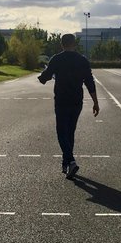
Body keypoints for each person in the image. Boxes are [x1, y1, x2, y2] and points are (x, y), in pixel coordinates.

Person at [38, 33, 100, 179]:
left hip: (61, 101)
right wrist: (95, 102)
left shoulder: (57, 59)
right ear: (74, 44)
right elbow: (90, 82)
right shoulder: (82, 60)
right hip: (77, 101)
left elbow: (45, 77)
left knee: (61, 132)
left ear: (62, 44)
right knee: (70, 131)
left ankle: (70, 161)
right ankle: (66, 164)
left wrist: (42, 75)